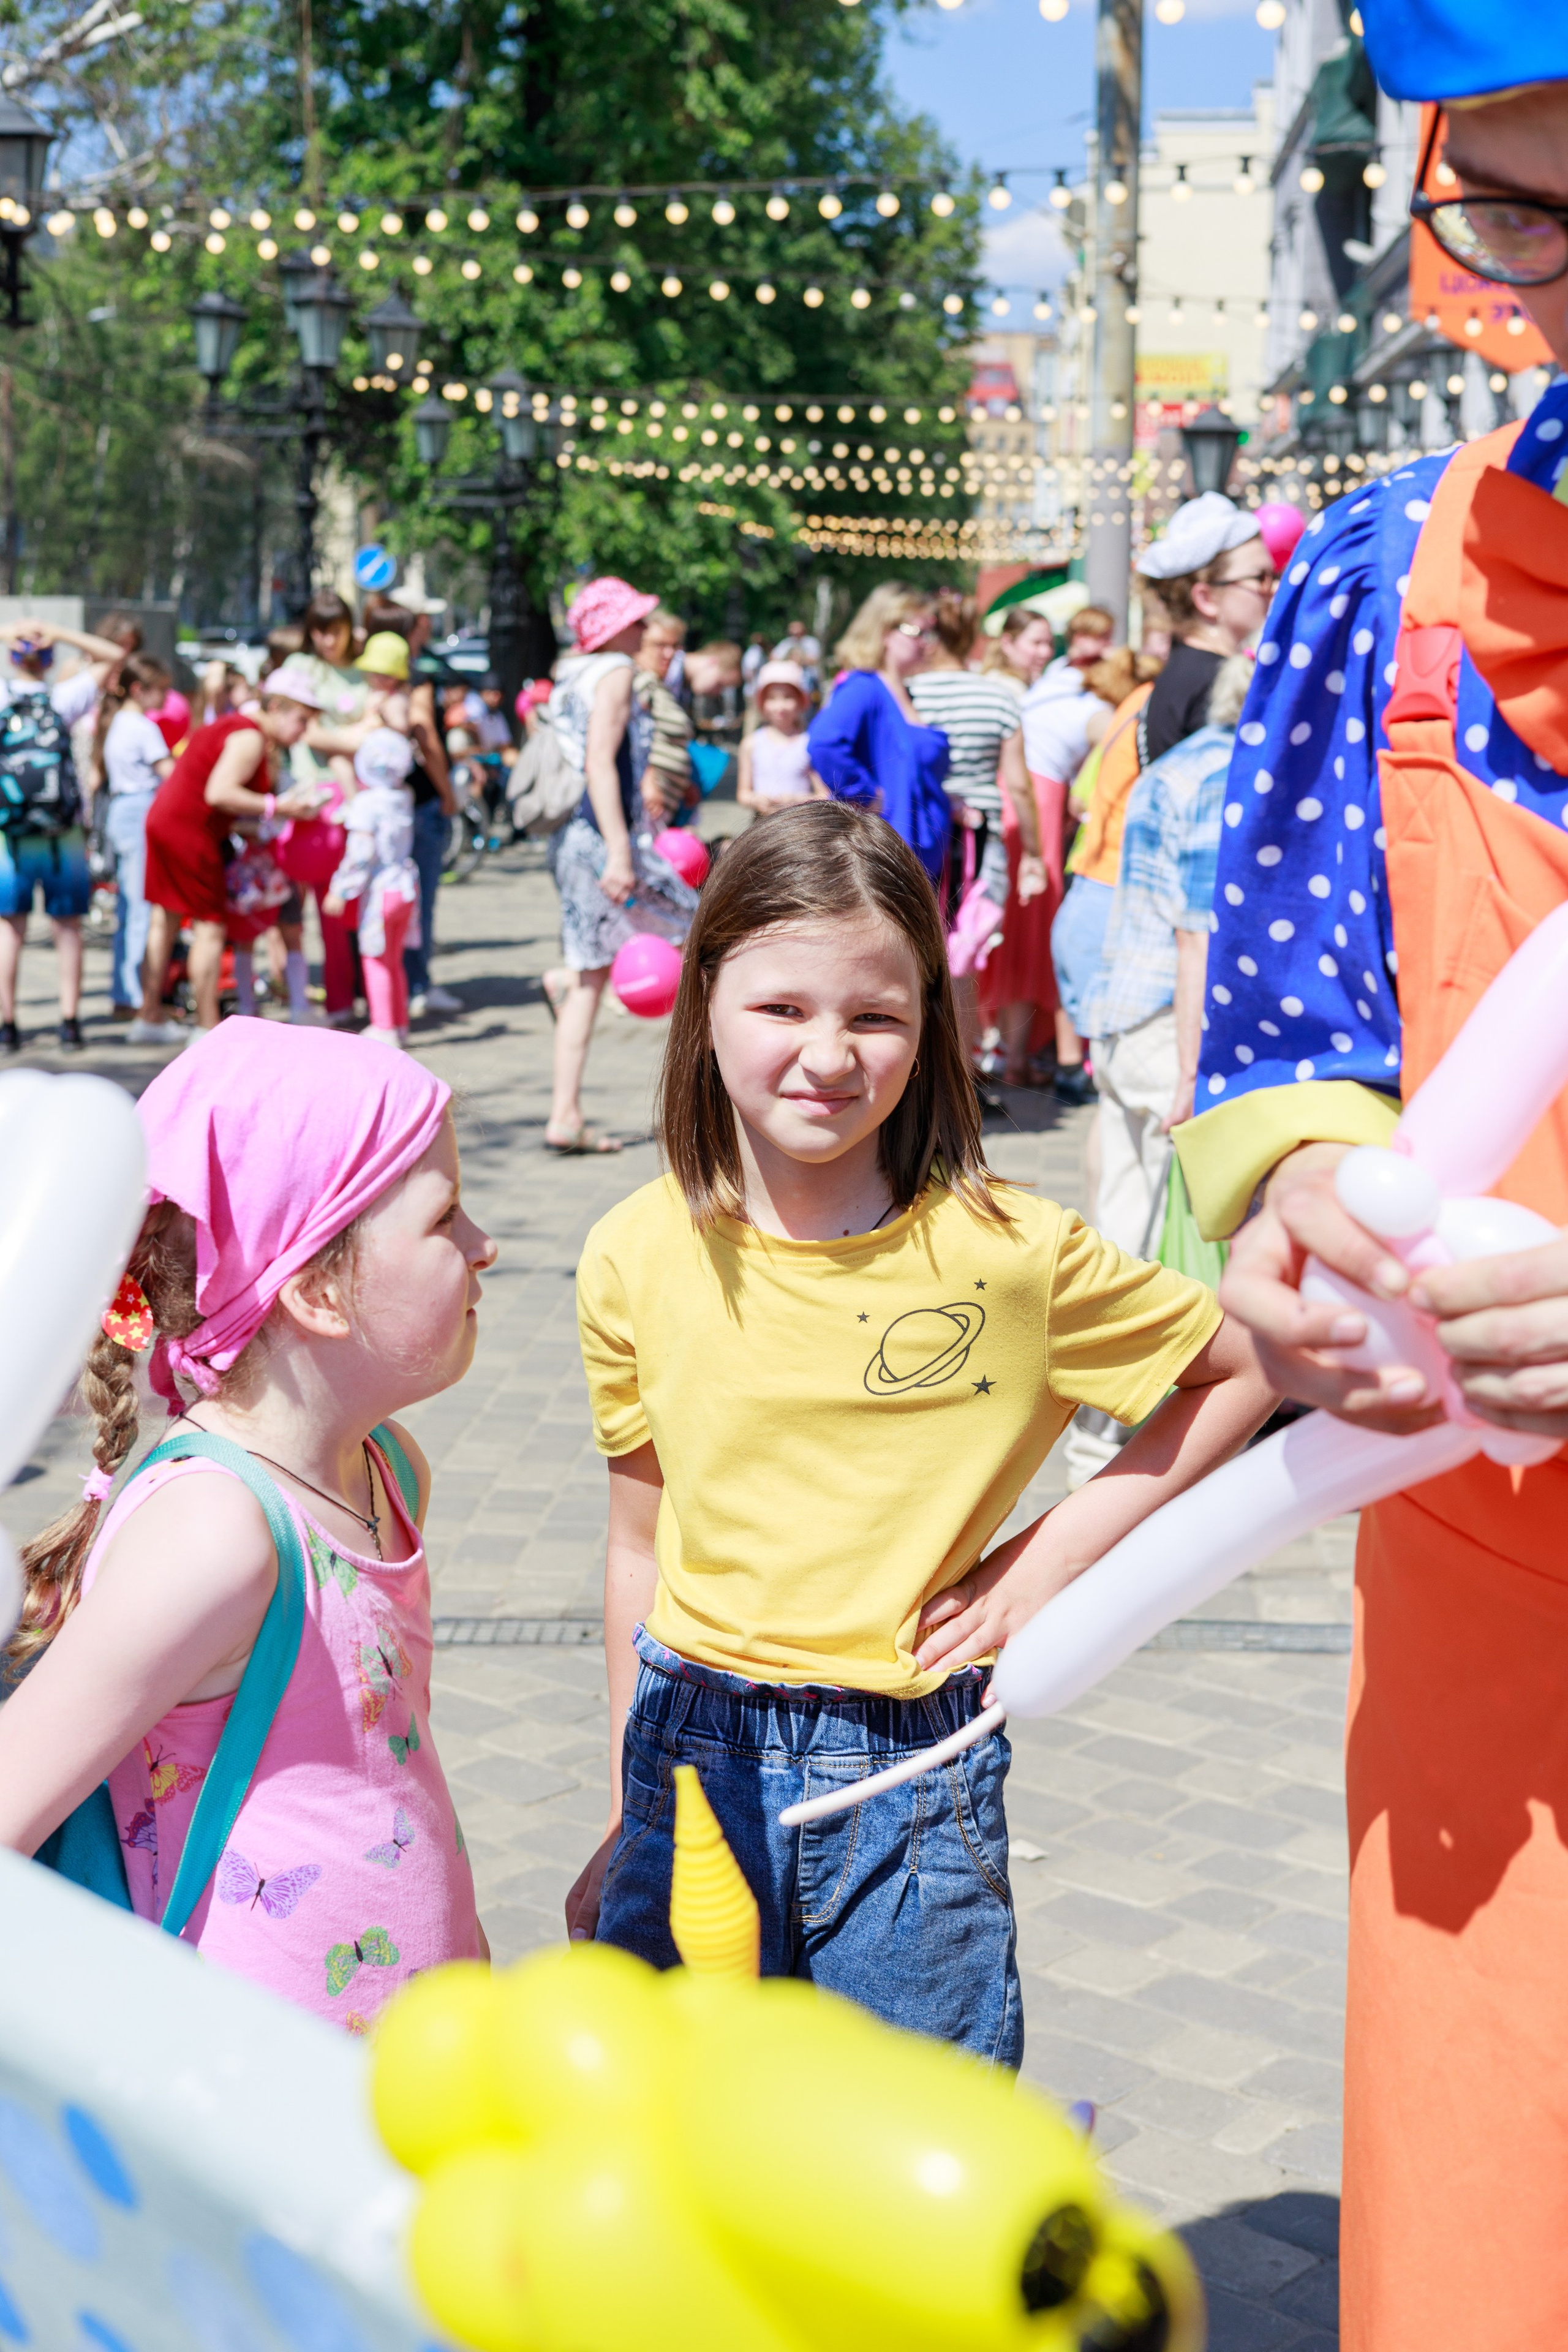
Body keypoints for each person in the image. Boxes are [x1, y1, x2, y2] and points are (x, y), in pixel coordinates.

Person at [1172, 21, 1568, 2341]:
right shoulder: (1375, 584)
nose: (1557, 294)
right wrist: (1305, 1229)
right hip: (1482, 1629)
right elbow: (1291, 1049)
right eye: (1510, 213)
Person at [564, 803, 1273, 2055]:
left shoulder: (1011, 1254)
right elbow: (639, 1539)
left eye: (873, 1016)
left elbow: (1243, 1366)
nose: (827, 1056)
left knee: (909, 2178)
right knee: (674, 2155)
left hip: (906, 1778)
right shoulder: (630, 1251)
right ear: (704, 999)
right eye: (781, 1008)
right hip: (685, 1753)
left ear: (927, 1023)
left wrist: (1045, 1562)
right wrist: (632, 1802)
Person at [0, 1021, 496, 2026]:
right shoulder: (216, 1533)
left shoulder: (386, 1469)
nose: (488, 1244)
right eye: (447, 1218)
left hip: (407, 2067)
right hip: (254, 2088)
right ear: (314, 1287)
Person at [1060, 655, 1251, 1486]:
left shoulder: (1176, 763)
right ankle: (1120, 1432)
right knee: (1154, 1239)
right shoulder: (1222, 771)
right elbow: (1198, 934)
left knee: (1126, 1218)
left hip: (1127, 1009)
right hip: (1168, 1025)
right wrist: (1192, 1069)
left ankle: (1096, 1435)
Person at [542, 576, 699, 1155]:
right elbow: (600, 766)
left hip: (576, 841)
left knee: (586, 979)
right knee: (708, 934)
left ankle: (565, 1114)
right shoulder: (613, 674)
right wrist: (619, 849)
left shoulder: (572, 677)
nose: (646, 629)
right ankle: (708, 1099)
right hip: (607, 841)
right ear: (616, 630)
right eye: (636, 622)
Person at [135, 666, 325, 1043]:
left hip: (166, 821)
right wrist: (279, 806)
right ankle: (206, 1027)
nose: (304, 731)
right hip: (191, 832)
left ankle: (149, 1016)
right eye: (301, 719)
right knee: (209, 928)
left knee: (165, 922)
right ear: (277, 707)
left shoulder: (234, 725)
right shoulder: (250, 737)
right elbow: (219, 793)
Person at [908, 592, 1046, 1067]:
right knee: (964, 957)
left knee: (913, 951)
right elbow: (1019, 785)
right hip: (980, 842)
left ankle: (916, 1070)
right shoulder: (997, 697)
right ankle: (961, 1073)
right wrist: (1033, 851)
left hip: (915, 833)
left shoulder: (908, 693)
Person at [0, 616, 130, 1054]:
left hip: (10, 834)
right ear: (51, 659)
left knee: (10, 930)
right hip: (64, 833)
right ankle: (70, 1023)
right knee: (67, 927)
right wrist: (59, 633)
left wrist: (8, 632)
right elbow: (116, 655)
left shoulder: (3, 699)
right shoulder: (64, 699)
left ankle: (8, 1026)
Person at [1047, 649, 1166, 1105]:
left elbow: (1080, 800)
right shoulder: (1146, 712)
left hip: (1090, 869)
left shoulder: (1125, 714)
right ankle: (1085, 1070)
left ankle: (1075, 1067)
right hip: (1111, 878)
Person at [360, 597, 462, 1023]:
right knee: (416, 900)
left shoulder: (375, 686)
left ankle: (394, 991)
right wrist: (447, 790)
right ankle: (416, 985)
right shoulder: (412, 680)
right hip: (418, 803)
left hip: (387, 805)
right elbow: (426, 737)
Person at [807, 586, 951, 882]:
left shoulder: (904, 693)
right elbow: (824, 742)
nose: (928, 644)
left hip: (923, 864)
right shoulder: (865, 687)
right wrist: (864, 793)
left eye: (930, 635)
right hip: (889, 861)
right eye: (918, 632)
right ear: (885, 632)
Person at [1133, 494, 1276, 767]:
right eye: (1260, 578)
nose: (1273, 590)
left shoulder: (1181, 671)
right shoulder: (1215, 682)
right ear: (1206, 599)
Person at [323, 729, 421, 1047]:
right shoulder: (403, 795)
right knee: (394, 959)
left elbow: (361, 854)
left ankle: (384, 1027)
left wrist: (340, 889)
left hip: (380, 891)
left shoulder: (367, 803)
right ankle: (400, 1022)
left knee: (375, 959)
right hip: (405, 888)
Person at [99, 654, 175, 1022]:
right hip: (140, 810)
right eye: (161, 689)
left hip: (122, 812)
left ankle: (126, 990)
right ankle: (137, 995)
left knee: (129, 907)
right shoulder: (143, 728)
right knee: (141, 908)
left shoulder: (117, 723)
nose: (166, 696)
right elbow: (170, 774)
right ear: (139, 689)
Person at [736, 662, 827, 813]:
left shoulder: (809, 744)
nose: (780, 706)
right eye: (772, 698)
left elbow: (824, 794)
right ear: (762, 703)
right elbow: (743, 794)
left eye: (788, 697)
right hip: (763, 826)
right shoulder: (751, 744)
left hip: (799, 824)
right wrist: (757, 799)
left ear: (800, 702)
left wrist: (796, 800)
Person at [633, 608, 694, 826]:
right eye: (660, 645)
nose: (670, 654)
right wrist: (648, 781)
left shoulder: (658, 685)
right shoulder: (638, 683)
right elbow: (630, 738)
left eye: (675, 646)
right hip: (645, 804)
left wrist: (685, 784)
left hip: (664, 805)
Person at [979, 607, 1057, 694]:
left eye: (1050, 643)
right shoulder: (1002, 688)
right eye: (1036, 643)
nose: (1046, 652)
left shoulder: (1029, 684)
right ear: (1007, 643)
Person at [771, 616, 822, 696]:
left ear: (804, 631)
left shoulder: (811, 642)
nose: (796, 636)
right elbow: (773, 658)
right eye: (793, 633)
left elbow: (815, 659)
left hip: (811, 680)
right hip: (791, 679)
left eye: (799, 633)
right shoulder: (786, 644)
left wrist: (800, 659)